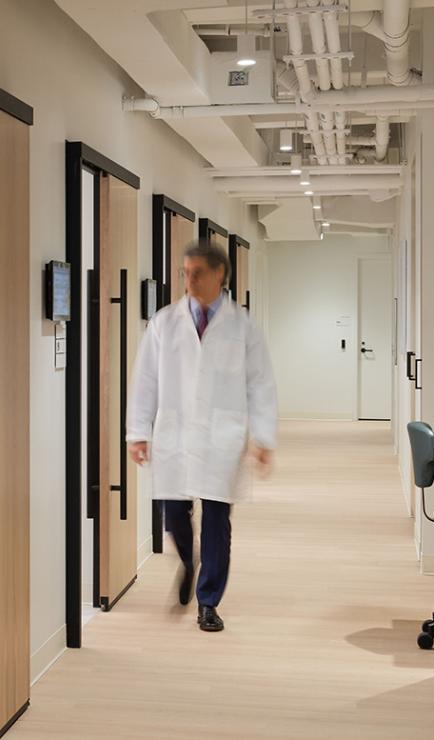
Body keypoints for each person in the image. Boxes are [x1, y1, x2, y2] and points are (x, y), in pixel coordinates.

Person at [126, 240, 277, 632]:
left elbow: (260, 384)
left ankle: (208, 601)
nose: (189, 281)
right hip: (174, 432)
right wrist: (138, 432)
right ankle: (189, 562)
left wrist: (263, 438)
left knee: (216, 518)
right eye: (185, 273)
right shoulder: (164, 322)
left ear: (219, 274)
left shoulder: (242, 326)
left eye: (197, 273)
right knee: (172, 511)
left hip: (221, 435)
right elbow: (145, 381)